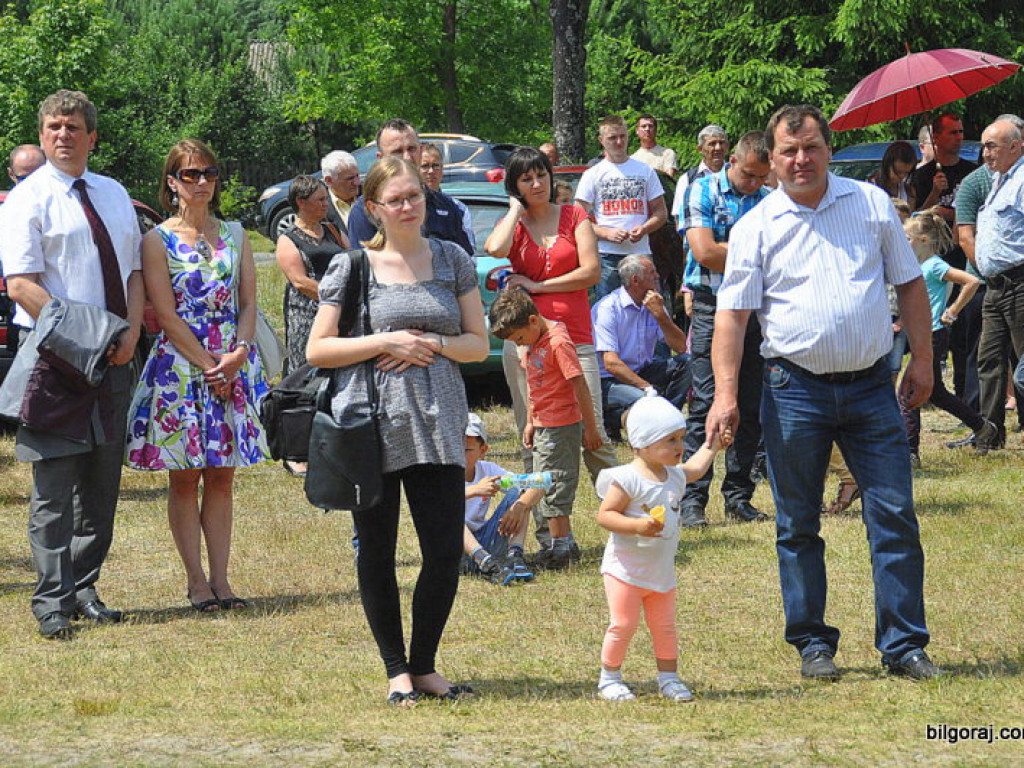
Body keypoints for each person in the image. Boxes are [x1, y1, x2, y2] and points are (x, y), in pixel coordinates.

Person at [708, 104, 941, 681]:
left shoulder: (869, 204)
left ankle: (904, 645)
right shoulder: (755, 226)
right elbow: (732, 317)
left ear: (828, 148)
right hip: (793, 391)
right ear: (771, 159)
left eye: (810, 147)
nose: (801, 160)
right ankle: (814, 643)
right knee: (797, 524)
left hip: (870, 388)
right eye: (788, 151)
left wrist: (924, 361)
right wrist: (725, 395)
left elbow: (910, 284)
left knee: (893, 514)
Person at [306, 156, 488, 705]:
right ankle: (396, 671)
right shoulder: (352, 266)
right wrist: (386, 342)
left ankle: (426, 666)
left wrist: (428, 344)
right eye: (396, 199)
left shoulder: (453, 258)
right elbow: (319, 348)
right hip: (373, 424)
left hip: (440, 422)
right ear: (373, 208)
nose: (408, 206)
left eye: (415, 196)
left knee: (441, 551)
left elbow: (477, 343)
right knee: (377, 551)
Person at [0, 90, 143, 639]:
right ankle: (51, 602)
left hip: (115, 360)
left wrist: (127, 333)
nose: (63, 135)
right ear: (42, 135)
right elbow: (21, 285)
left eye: (73, 127)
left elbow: (131, 272)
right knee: (54, 489)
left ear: (92, 137)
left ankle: (84, 588)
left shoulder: (112, 193)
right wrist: (89, 337)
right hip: (55, 363)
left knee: (102, 485)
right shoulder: (28, 200)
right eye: (54, 127)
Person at [125, 138, 269, 612]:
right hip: (182, 369)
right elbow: (164, 314)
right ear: (172, 183)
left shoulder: (237, 234)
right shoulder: (156, 239)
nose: (202, 181)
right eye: (191, 174)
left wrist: (240, 353)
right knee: (185, 478)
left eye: (208, 173)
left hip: (232, 360)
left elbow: (248, 303)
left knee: (223, 477)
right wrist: (212, 367)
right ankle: (196, 582)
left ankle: (223, 581)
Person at [484, 145, 616, 515]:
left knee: (595, 432)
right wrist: (513, 209)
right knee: (532, 434)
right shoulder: (516, 222)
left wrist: (538, 287)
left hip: (574, 337)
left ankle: (623, 514)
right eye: (527, 179)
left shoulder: (575, 216)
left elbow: (591, 272)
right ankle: (542, 525)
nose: (537, 183)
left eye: (541, 174)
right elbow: (495, 248)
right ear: (516, 185)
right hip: (526, 346)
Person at [595, 396, 722, 702]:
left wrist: (713, 445)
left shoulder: (674, 474)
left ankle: (669, 677)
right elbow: (605, 515)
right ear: (642, 444)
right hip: (625, 570)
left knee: (664, 627)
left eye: (680, 438)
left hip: (660, 573)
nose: (679, 446)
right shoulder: (627, 479)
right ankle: (609, 678)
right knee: (623, 624)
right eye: (670, 440)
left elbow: (695, 469)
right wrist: (637, 526)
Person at [680, 131, 773, 527]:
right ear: (733, 161)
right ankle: (692, 500)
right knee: (705, 402)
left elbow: (774, 257)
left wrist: (731, 251)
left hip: (753, 311)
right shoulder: (702, 191)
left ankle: (738, 496)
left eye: (761, 177)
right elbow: (703, 252)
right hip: (710, 305)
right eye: (749, 175)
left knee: (749, 406)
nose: (754, 184)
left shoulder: (771, 200)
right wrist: (754, 255)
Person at [489, 288, 603, 571]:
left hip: (561, 425)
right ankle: (562, 544)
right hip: (542, 424)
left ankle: (561, 548)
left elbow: (579, 386)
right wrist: (530, 421)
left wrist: (591, 428)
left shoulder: (558, 342)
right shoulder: (534, 340)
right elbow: (532, 383)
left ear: (532, 320)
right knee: (545, 483)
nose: (519, 344)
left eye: (519, 338)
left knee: (552, 484)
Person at [899, 209, 994, 465]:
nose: (904, 242)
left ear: (923, 240)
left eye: (908, 238)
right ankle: (981, 426)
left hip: (931, 335)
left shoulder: (934, 265)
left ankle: (910, 451)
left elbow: (971, 281)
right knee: (936, 393)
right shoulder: (916, 265)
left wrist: (951, 311)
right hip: (919, 333)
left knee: (909, 392)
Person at [592, 255, 690, 438]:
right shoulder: (608, 308)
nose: (658, 276)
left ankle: (667, 422)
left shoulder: (655, 305)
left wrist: (661, 316)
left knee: (688, 362)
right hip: (609, 381)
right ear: (635, 280)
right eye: (652, 273)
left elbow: (682, 346)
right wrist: (647, 388)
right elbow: (611, 363)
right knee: (644, 401)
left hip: (642, 370)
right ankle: (612, 418)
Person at [574, 115, 667, 299]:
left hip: (640, 253)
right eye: (612, 138)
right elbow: (577, 218)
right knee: (608, 308)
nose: (619, 142)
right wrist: (605, 233)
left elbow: (661, 212)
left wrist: (644, 228)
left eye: (622, 136)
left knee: (648, 308)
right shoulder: (593, 174)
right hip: (607, 255)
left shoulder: (644, 170)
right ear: (601, 141)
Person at [974, 118, 1024, 453]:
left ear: (1016, 146)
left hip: (1020, 282)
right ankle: (989, 435)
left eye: (992, 145)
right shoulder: (998, 181)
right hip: (994, 286)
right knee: (989, 360)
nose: (985, 153)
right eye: (984, 146)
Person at [346, 119, 472, 254]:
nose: (407, 157)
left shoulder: (446, 205)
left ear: (421, 150)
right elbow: (365, 268)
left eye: (412, 149)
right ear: (381, 157)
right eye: (397, 151)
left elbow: (464, 264)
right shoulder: (365, 211)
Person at [275, 175, 348, 375]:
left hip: (340, 312)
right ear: (301, 202)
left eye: (327, 199)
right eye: (320, 200)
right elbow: (300, 282)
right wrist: (335, 298)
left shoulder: (333, 230)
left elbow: (352, 259)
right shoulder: (288, 239)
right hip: (307, 314)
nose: (326, 204)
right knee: (306, 368)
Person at [460, 413, 542, 585]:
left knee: (519, 495)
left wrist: (520, 506)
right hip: (456, 553)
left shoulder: (488, 470)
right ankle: (486, 563)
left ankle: (515, 558)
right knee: (448, 510)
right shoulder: (444, 473)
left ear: (483, 451)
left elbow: (539, 484)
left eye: (467, 450)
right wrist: (474, 490)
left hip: (485, 541)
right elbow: (435, 503)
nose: (460, 454)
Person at [419, 142, 475, 250]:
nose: (431, 171)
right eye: (425, 166)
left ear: (442, 169)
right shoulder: (408, 206)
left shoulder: (457, 208)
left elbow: (468, 253)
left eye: (436, 166)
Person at [672, 125, 730, 221]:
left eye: (722, 143)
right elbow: (679, 216)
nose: (718, 148)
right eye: (712, 144)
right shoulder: (687, 179)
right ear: (700, 149)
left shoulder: (736, 175)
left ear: (727, 146)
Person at [320, 150, 361, 235]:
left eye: (357, 176)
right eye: (350, 179)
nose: (357, 182)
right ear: (329, 180)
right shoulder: (321, 209)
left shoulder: (370, 194)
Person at [868, 141, 917, 208]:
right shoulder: (869, 187)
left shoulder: (908, 191)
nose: (902, 177)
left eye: (906, 173)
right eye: (898, 172)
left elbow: (911, 217)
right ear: (887, 165)